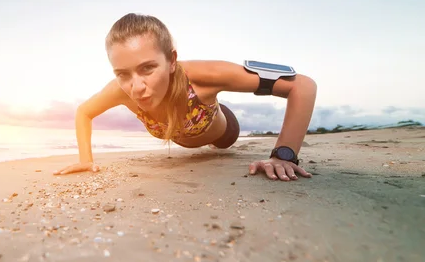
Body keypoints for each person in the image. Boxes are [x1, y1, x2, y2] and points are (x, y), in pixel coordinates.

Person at [54, 13, 317, 181]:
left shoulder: (202, 76)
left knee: (222, 145)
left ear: (171, 60)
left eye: (147, 68)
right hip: (186, 136)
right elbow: (83, 112)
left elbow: (302, 86)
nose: (136, 87)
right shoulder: (120, 90)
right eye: (123, 73)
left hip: (223, 132)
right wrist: (85, 160)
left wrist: (283, 155)